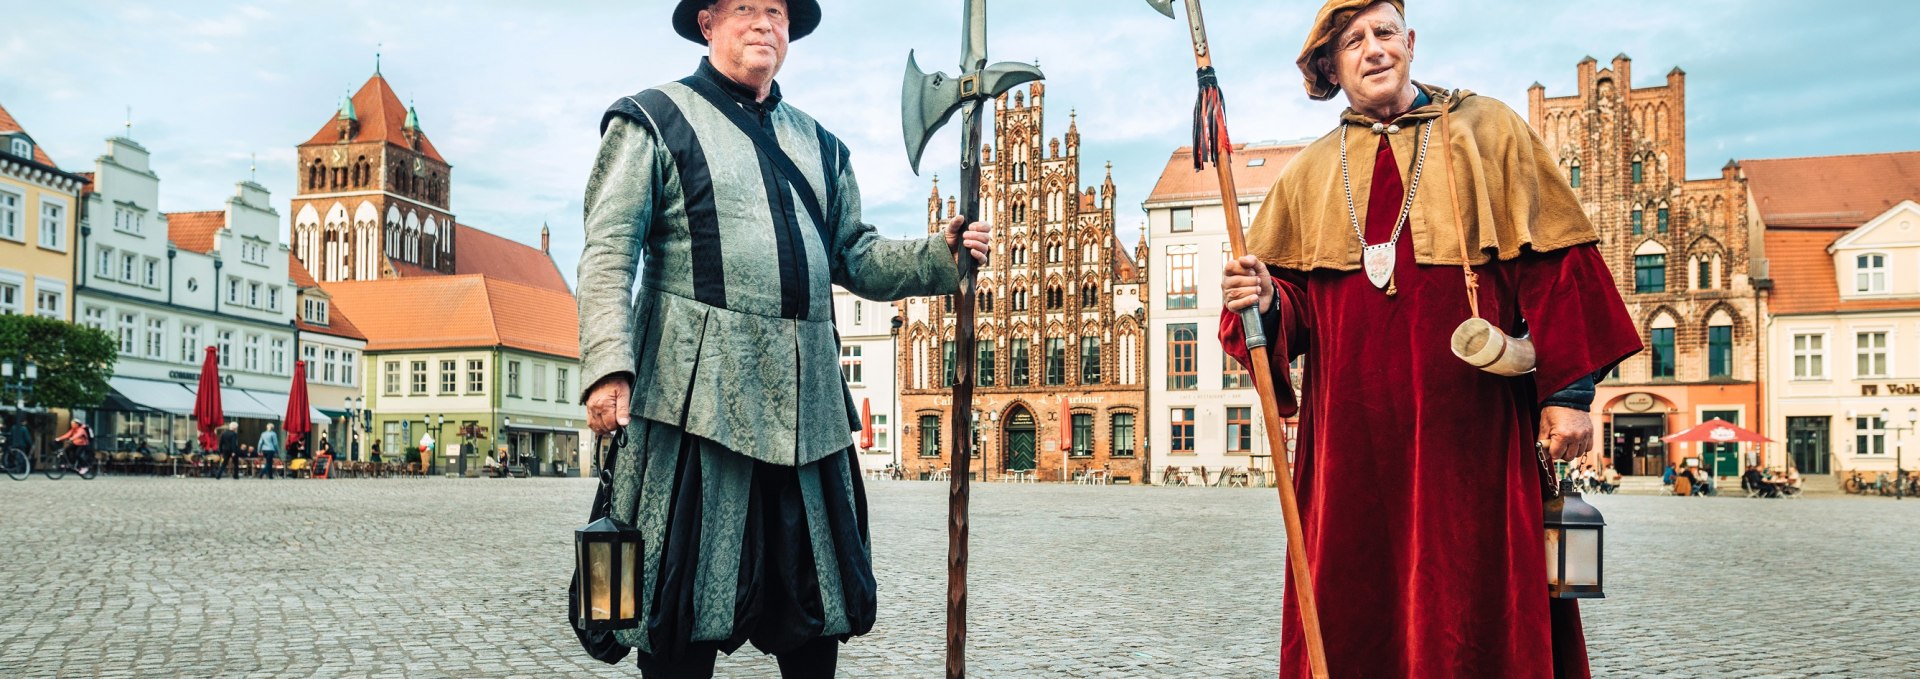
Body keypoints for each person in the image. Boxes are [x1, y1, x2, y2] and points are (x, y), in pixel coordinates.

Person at [1216, 2, 1640, 676]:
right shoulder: (1308, 173)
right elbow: (1288, 319)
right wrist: (1266, 299)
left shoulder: (1489, 131)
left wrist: (1569, 392)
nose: (1373, 49)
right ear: (1332, 66)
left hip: (1471, 436)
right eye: (1353, 41)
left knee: (1469, 604)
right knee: (1357, 607)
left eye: (1384, 33)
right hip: (1350, 449)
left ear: (1410, 42)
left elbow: (1559, 267)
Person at [577, 2, 992, 675]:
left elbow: (855, 254)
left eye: (777, 12)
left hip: (810, 416)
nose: (765, 24)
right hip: (694, 412)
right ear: (708, 21)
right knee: (679, 626)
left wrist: (939, 255)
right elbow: (607, 251)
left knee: (813, 627)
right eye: (747, 8)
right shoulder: (652, 120)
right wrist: (607, 364)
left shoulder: (822, 146)